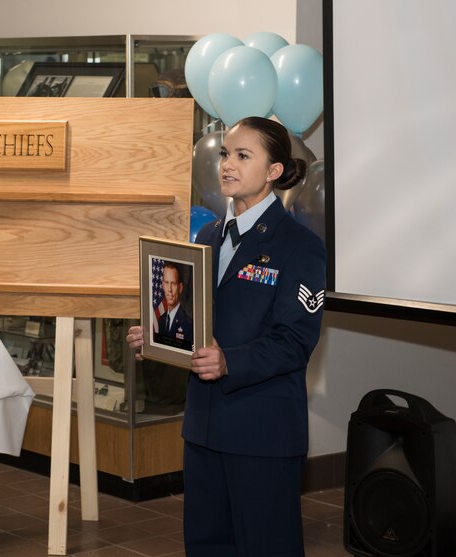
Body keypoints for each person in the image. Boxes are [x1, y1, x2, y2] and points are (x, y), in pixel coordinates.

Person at [127, 116, 326, 557]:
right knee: (206, 546)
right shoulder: (208, 237)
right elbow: (197, 326)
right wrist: (160, 335)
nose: (227, 165)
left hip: (262, 431)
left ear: (274, 171)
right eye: (223, 154)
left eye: (242, 155)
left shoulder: (300, 246)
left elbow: (295, 341)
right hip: (204, 428)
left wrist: (230, 362)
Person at [154, 262, 194, 350]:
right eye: (166, 283)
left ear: (180, 287)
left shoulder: (189, 324)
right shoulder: (161, 319)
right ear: (162, 285)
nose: (169, 289)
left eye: (173, 283)